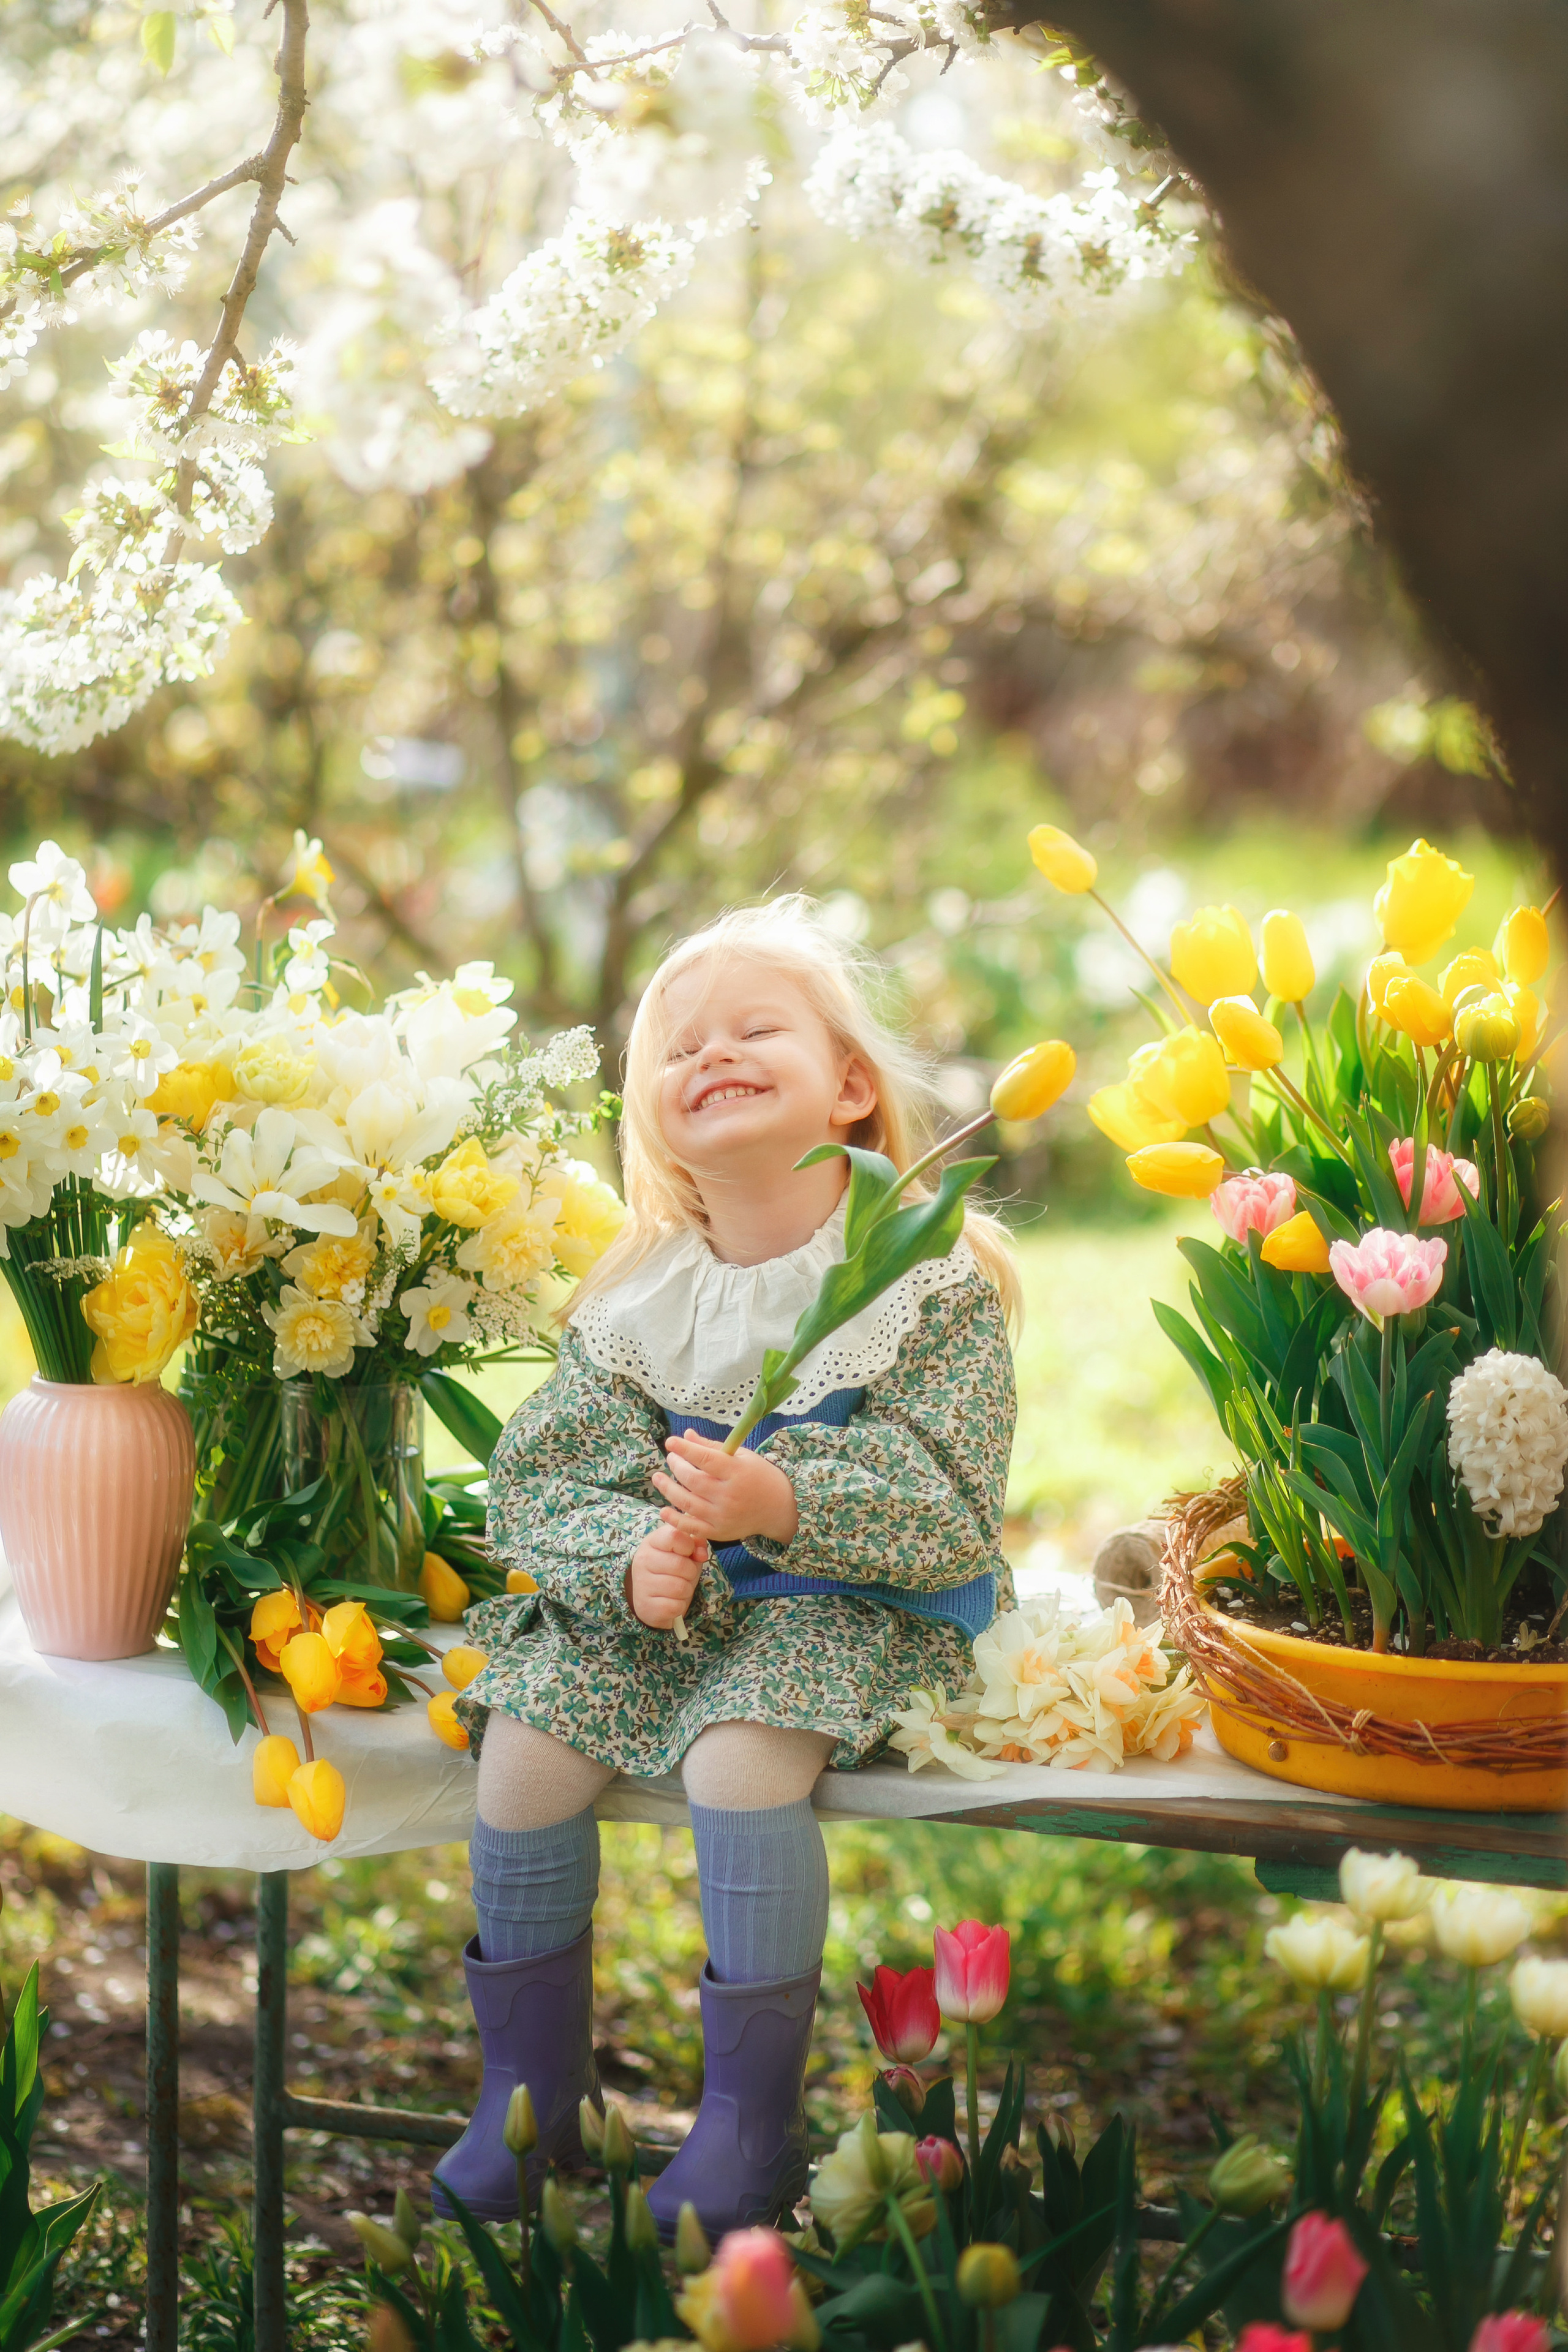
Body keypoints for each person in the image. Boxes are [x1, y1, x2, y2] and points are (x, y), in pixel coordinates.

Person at [434, 895, 1019, 2238]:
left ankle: (747, 2126)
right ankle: (533, 2100)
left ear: (852, 1084)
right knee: (524, 1750)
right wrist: (625, 1555)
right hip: (669, 1602)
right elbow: (541, 1479)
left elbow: (948, 1506)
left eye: (755, 1029)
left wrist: (780, 1496)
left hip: (851, 1601)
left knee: (736, 1764)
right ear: (650, 1113)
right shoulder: (641, 1291)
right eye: (677, 1048)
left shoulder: (928, 1284)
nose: (712, 1055)